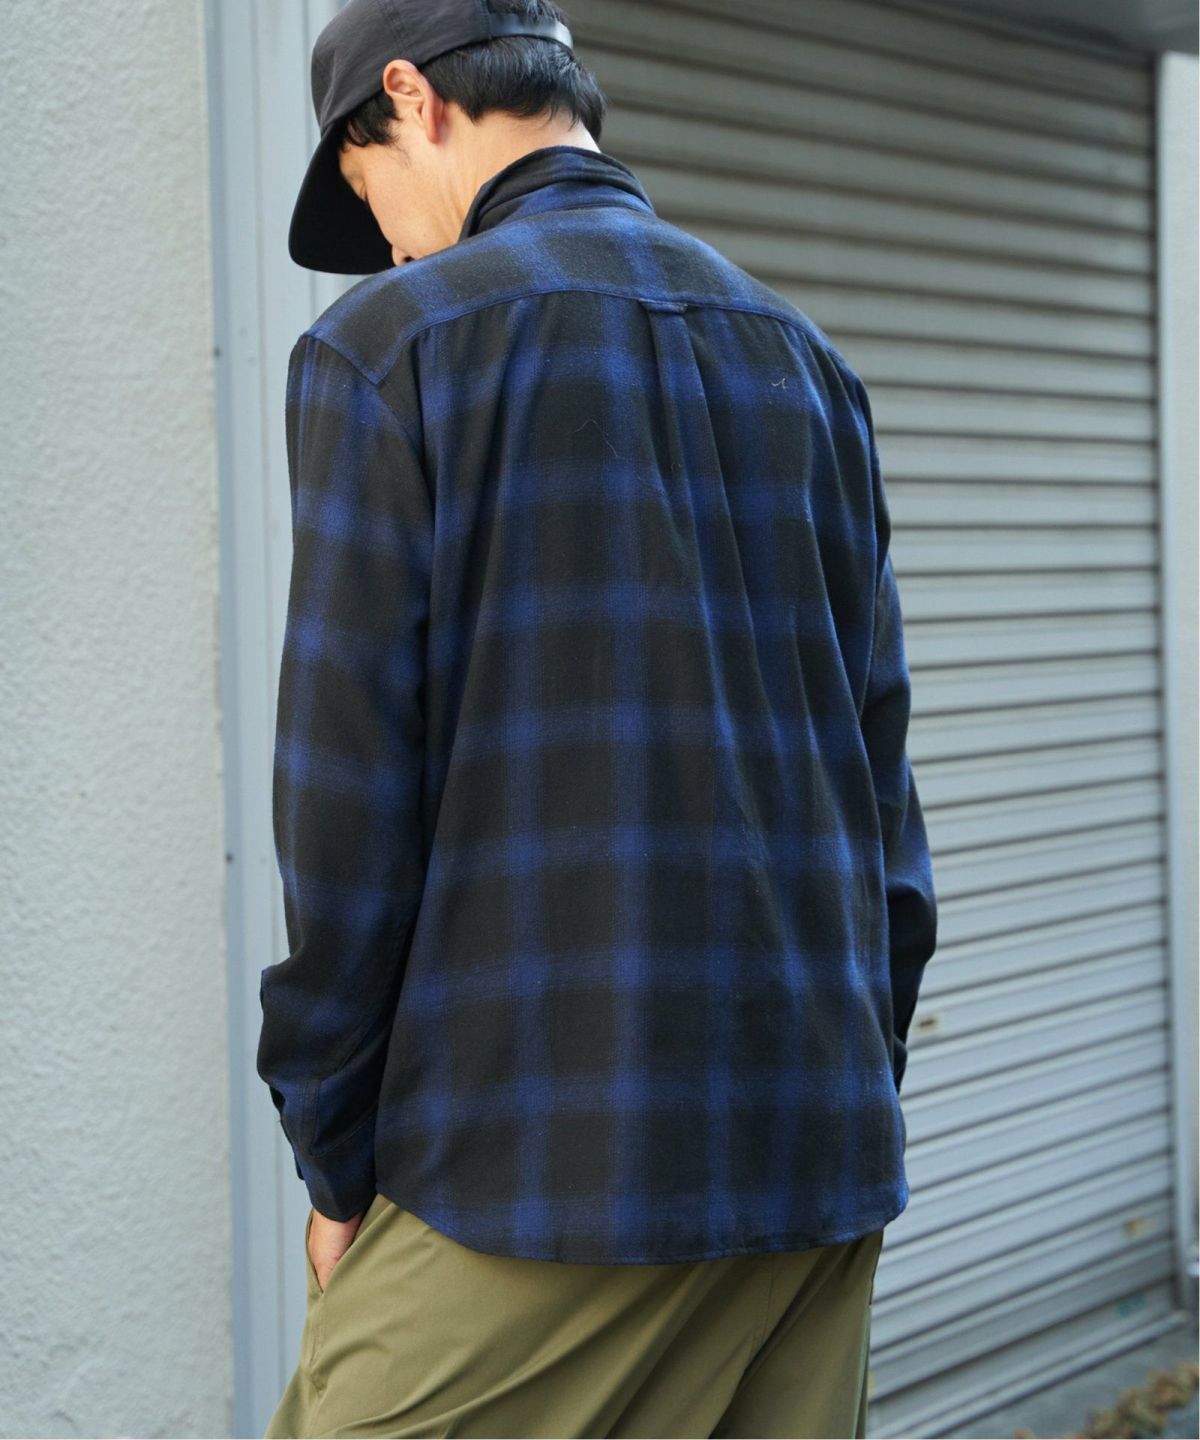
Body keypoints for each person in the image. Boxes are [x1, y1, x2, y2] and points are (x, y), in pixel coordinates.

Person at [258, 1, 938, 1435]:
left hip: (535, 1174)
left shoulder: (392, 349)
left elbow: (345, 812)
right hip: (816, 1160)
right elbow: (883, 799)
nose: (391, 243)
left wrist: (334, 1157)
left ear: (411, 99)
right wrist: (848, 1081)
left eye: (366, 189)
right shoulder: (809, 363)